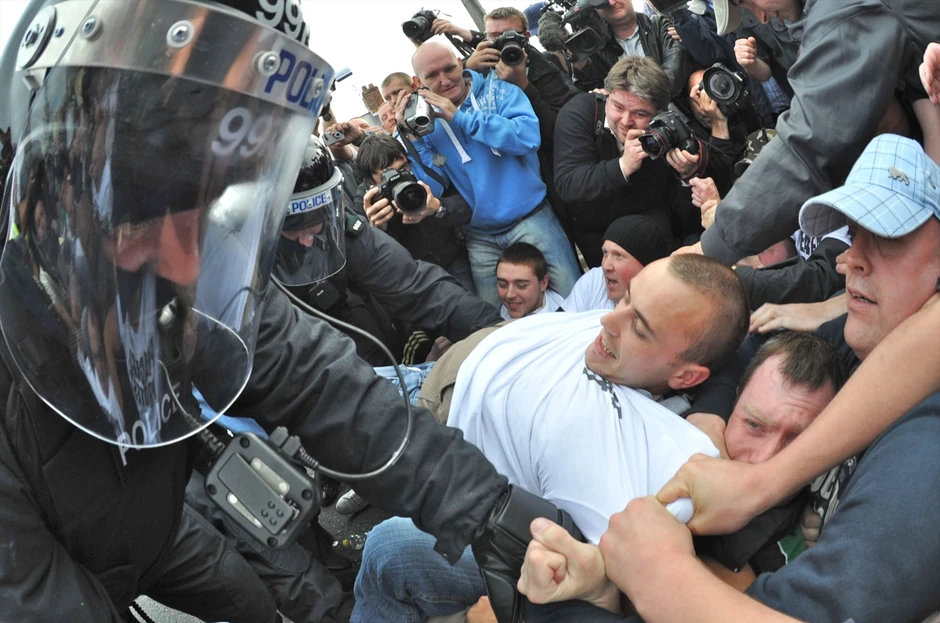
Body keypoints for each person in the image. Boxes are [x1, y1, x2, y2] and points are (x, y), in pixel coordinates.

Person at [0, 2, 573, 621]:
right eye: (141, 212)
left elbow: (316, 380)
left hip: (157, 528)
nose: (188, 264)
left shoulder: (173, 266)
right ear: (47, 189)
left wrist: (489, 508)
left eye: (214, 205)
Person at [551, 133, 940, 622]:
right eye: (851, 236)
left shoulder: (927, 446)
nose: (851, 260)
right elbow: (740, 352)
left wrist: (652, 577)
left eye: (888, 241)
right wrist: (714, 417)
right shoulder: (855, 336)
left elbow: (824, 608)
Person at [352, 254, 750, 623]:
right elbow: (732, 321)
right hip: (446, 365)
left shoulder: (613, 465)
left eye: (640, 329)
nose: (609, 320)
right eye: (626, 299)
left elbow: (613, 583)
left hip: (432, 413)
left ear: (686, 376)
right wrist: (713, 406)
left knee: (381, 539)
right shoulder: (641, 341)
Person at [676, 0, 940, 264]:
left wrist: (710, 248)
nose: (761, 19)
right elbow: (922, 83)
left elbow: (809, 145)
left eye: (745, 2)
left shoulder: (839, 9)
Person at [399, 41, 581, 305]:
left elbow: (529, 137)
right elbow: (435, 188)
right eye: (432, 75)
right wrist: (412, 139)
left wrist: (460, 118)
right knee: (496, 325)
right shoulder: (426, 122)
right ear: (418, 81)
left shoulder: (500, 91)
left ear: (460, 63)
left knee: (574, 300)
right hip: (480, 235)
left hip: (531, 217)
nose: (445, 79)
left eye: (449, 68)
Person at [553, 57, 676, 265]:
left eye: (640, 113)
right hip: (595, 232)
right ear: (606, 95)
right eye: (618, 107)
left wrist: (686, 170)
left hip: (649, 222)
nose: (626, 121)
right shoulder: (580, 112)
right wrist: (623, 166)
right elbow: (568, 184)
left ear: (658, 112)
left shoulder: (665, 126)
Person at [570, 0, 690, 98]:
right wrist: (579, 63)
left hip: (676, 108)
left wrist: (633, 100)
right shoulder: (597, 49)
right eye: (603, 2)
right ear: (595, 9)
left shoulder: (658, 25)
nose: (611, 3)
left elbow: (675, 70)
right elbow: (591, 91)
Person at [564, 215, 669, 313]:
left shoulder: (665, 310)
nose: (605, 266)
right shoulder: (594, 280)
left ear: (647, 268)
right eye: (605, 253)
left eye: (618, 256)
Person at [495, 242, 566, 320]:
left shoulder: (563, 316)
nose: (509, 295)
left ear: (543, 283)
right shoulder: (500, 313)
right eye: (503, 284)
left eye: (521, 285)